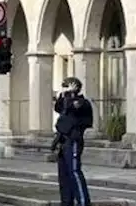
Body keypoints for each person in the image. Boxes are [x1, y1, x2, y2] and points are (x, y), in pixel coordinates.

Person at [53, 77, 93, 206]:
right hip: (63, 141)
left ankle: (83, 202)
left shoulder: (82, 102)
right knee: (64, 175)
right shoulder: (65, 101)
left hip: (73, 140)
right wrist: (62, 95)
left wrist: (70, 94)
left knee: (74, 172)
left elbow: (71, 106)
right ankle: (66, 202)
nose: (64, 90)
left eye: (66, 87)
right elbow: (59, 107)